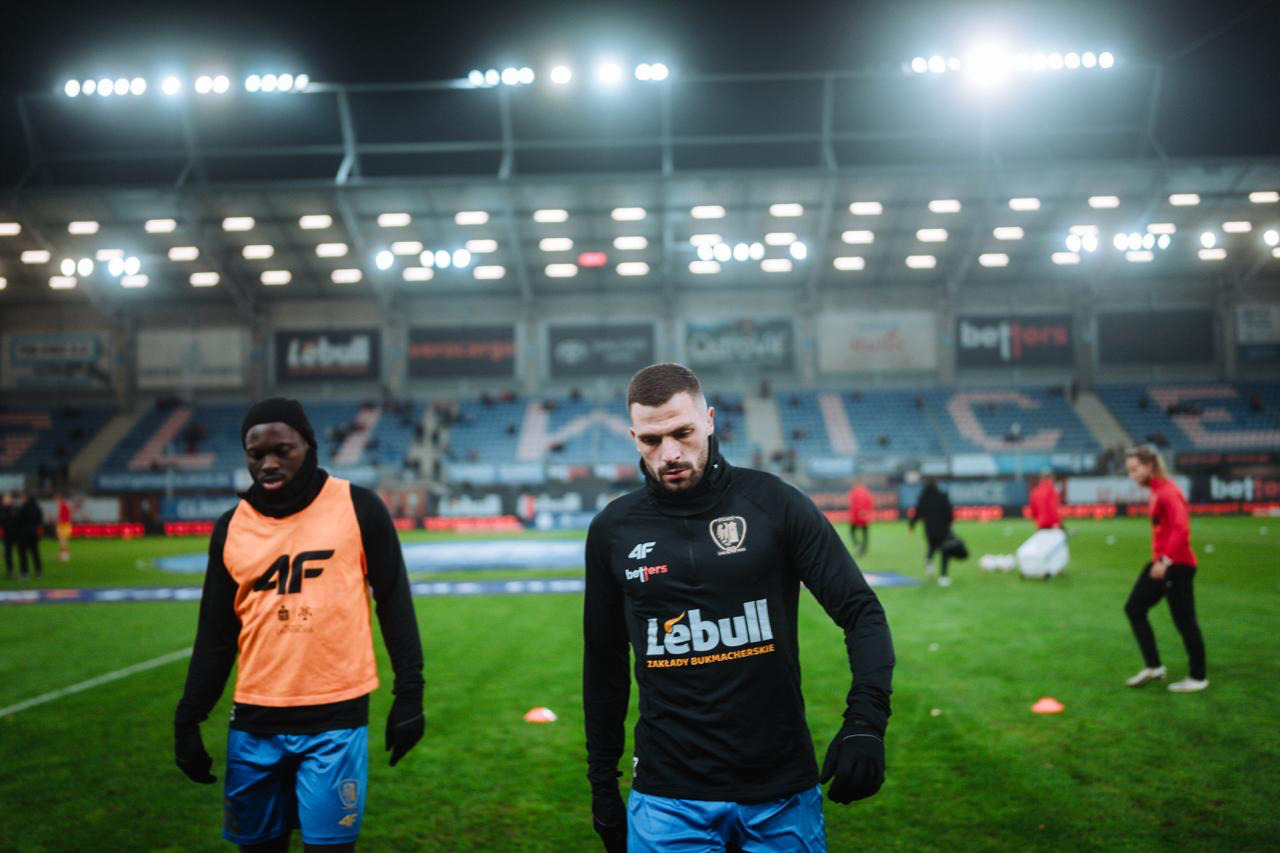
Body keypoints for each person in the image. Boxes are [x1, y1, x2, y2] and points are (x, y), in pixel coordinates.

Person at [583, 363, 894, 853]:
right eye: (651, 440)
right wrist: (602, 783)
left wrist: (866, 724)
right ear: (633, 437)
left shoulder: (775, 504)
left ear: (709, 420)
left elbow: (861, 611)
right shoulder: (612, 530)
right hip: (667, 799)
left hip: (781, 792)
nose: (669, 453)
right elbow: (604, 663)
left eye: (682, 432)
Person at [174, 398, 425, 851]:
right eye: (256, 454)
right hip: (254, 723)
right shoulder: (231, 528)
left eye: (282, 450)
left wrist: (410, 695)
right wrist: (188, 718)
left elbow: (394, 603)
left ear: (308, 446)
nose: (268, 463)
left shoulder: (359, 507)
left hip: (335, 719)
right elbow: (215, 634)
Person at [1122, 446, 1207, 692]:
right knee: (1134, 608)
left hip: (1177, 565)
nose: (1132, 475)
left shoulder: (1168, 491)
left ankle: (1198, 678)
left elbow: (1182, 528)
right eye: (1129, 470)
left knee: (1185, 621)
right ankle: (1153, 667)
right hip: (1162, 564)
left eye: (1135, 469)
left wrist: (1165, 560)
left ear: (1150, 466)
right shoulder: (1156, 491)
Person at [908, 477, 954, 587]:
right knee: (945, 550)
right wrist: (949, 522)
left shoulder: (923, 497)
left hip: (929, 528)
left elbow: (918, 512)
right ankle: (943, 576)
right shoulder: (942, 496)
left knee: (932, 546)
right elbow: (948, 512)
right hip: (942, 528)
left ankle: (928, 560)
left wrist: (912, 525)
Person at [16, 490, 43, 579]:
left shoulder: (22, 508)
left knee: (23, 554)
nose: (21, 499)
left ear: (25, 497)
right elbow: (39, 521)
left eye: (22, 497)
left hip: (23, 534)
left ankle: (24, 573)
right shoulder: (37, 508)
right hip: (34, 533)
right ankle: (38, 571)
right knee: (35, 553)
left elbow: (18, 521)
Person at [847, 478, 874, 557]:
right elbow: (870, 503)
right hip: (864, 516)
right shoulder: (866, 491)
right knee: (865, 532)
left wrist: (859, 512)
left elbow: (853, 504)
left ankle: (858, 546)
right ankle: (863, 548)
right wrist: (866, 512)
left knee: (852, 532)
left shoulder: (855, 492)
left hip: (856, 516)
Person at [1, 493, 16, 579]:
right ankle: (10, 571)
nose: (8, 500)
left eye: (9, 498)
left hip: (13, 534)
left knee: (8, 553)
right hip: (5, 534)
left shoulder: (13, 508)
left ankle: (11, 571)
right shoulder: (2, 510)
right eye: (6, 498)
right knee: (7, 553)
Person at [56, 494, 73, 562]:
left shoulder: (63, 506)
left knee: (63, 542)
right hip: (65, 526)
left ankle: (64, 557)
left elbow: (64, 518)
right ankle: (64, 556)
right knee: (63, 542)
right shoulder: (64, 506)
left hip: (64, 526)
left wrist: (60, 522)